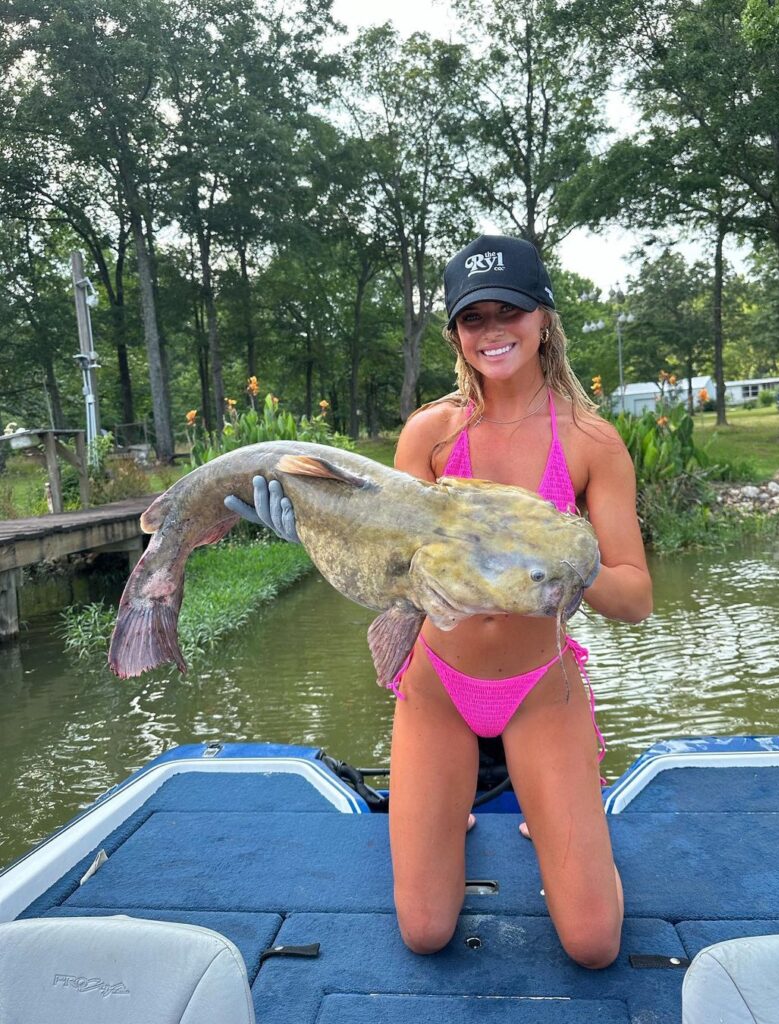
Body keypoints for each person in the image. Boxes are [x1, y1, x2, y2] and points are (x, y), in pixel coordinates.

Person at [226, 234, 652, 969]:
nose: (492, 332)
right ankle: (450, 810)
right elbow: (395, 572)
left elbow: (636, 597)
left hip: (540, 691)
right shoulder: (430, 431)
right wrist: (312, 528)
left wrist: (562, 565)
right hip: (438, 687)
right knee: (425, 932)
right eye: (472, 318)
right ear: (454, 333)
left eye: (509, 312)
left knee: (592, 945)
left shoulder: (590, 441)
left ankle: (563, 822)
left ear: (543, 317)